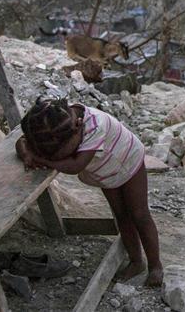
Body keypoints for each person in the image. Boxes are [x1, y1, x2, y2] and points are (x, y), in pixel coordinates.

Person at [15, 96, 162, 286]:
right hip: (105, 172)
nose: (56, 155)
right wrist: (27, 154)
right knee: (121, 216)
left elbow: (76, 165)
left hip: (128, 160)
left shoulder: (95, 127)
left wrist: (44, 160)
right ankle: (136, 261)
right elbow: (21, 141)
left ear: (78, 127)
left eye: (62, 152)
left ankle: (156, 266)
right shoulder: (53, 128)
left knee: (140, 215)